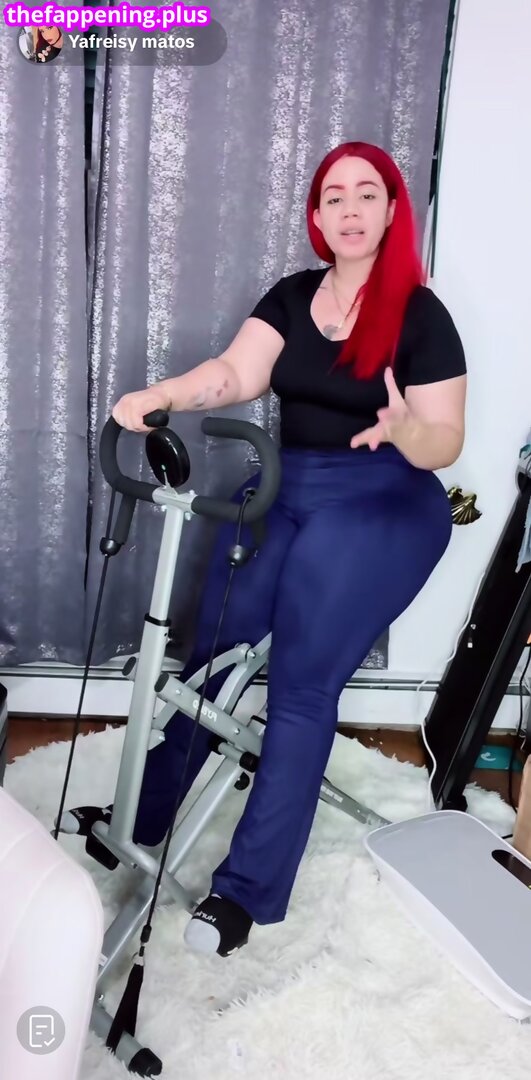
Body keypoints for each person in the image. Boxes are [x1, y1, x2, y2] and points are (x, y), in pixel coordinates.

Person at [70, 142, 467, 957]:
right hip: (288, 485)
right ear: (316, 215)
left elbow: (445, 442)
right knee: (212, 653)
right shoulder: (291, 296)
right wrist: (163, 395)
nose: (349, 209)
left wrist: (406, 429)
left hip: (385, 499)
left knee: (299, 684)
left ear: (392, 209)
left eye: (366, 194)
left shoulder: (420, 315)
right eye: (333, 197)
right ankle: (141, 818)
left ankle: (245, 891)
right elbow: (234, 373)